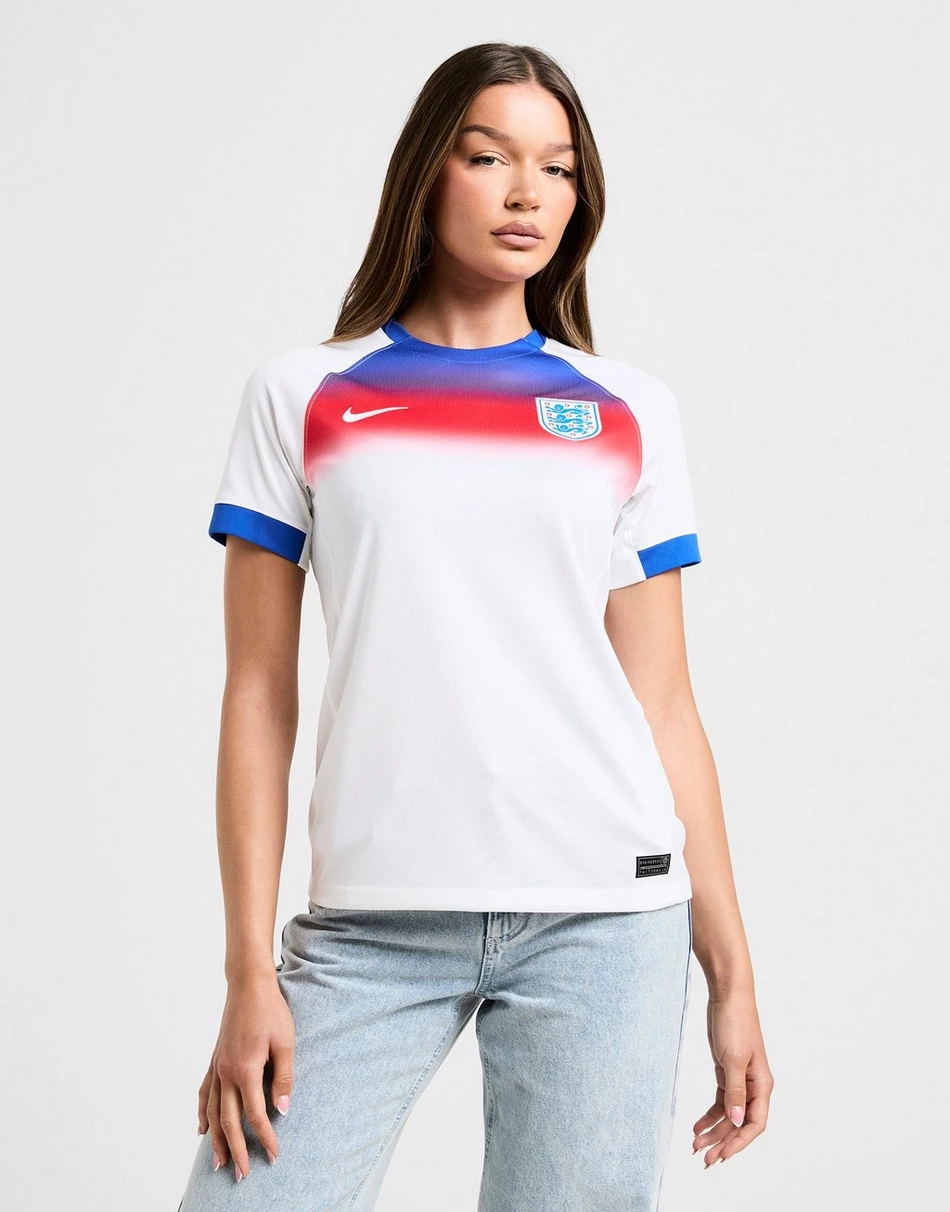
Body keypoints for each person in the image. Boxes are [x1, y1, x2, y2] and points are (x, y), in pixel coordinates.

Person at [176, 41, 773, 1212]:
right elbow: (257, 693)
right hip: (370, 925)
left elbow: (662, 703)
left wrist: (731, 975)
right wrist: (248, 969)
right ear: (426, 171)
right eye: (488, 156)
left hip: (604, 918)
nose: (525, 193)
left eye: (556, 168)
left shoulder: (626, 409)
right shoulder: (303, 395)